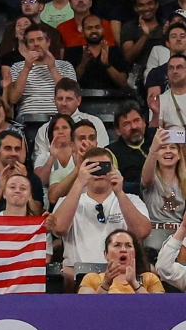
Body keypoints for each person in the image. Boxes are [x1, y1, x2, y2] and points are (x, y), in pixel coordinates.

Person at [52, 148, 152, 281]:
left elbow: (142, 232)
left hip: (121, 276)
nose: (99, 172)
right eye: (92, 167)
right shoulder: (66, 201)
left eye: (104, 167)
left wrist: (120, 193)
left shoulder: (131, 199)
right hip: (78, 277)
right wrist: (79, 182)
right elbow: (59, 229)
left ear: (114, 170)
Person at [8, 24, 77, 117]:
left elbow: (72, 94)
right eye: (31, 41)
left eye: (40, 39)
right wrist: (26, 68)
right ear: (27, 46)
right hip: (28, 119)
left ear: (48, 42)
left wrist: (52, 69)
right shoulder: (17, 67)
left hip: (60, 118)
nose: (36, 44)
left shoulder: (65, 65)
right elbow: (13, 99)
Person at [78, 229, 164, 293]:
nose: (123, 250)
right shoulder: (91, 279)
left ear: (134, 253)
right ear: (106, 254)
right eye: (117, 245)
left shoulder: (149, 279)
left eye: (128, 245)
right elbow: (86, 310)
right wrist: (105, 285)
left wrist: (134, 283)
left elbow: (159, 309)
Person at [64, 14, 131, 89]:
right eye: (89, 28)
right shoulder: (73, 52)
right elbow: (67, 85)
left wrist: (107, 65)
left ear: (103, 30)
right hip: (82, 99)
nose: (94, 31)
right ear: (83, 32)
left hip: (112, 98)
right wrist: (83, 64)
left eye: (97, 27)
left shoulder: (115, 51)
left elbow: (124, 84)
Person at [107, 102, 156, 196]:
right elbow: (115, 184)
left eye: (137, 120)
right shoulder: (111, 152)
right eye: (126, 124)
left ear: (144, 122)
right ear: (118, 130)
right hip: (134, 200)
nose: (134, 127)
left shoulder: (157, 137)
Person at [140, 128, 186, 222]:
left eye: (172, 147)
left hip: (180, 232)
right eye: (163, 148)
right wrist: (153, 149)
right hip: (154, 231)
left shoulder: (184, 181)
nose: (168, 151)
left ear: (179, 155)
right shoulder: (151, 178)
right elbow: (146, 179)